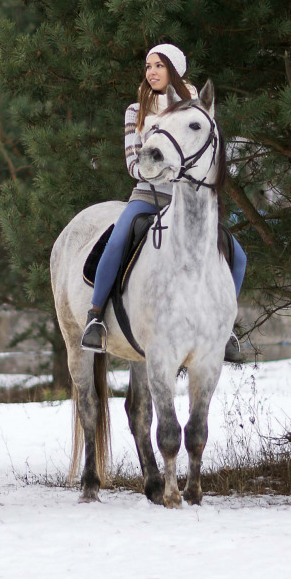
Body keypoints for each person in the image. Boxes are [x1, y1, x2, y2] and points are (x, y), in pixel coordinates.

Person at [79, 44, 248, 358]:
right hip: (149, 196)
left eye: (159, 65)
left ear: (175, 69)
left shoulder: (195, 108)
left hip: (188, 202)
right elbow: (133, 164)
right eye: (148, 66)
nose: (152, 72)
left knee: (238, 256)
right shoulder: (136, 110)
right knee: (117, 242)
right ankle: (96, 317)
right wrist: (167, 172)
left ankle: (224, 329)